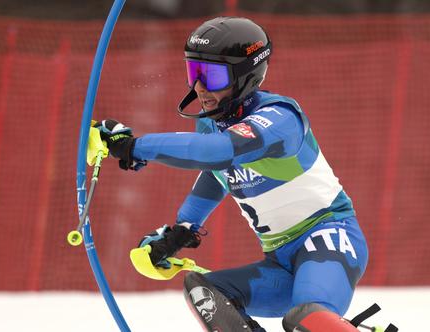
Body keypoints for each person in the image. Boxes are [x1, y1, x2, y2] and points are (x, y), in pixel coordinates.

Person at [95, 16, 368, 332]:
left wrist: (134, 146)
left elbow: (219, 151)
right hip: (280, 262)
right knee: (204, 291)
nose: (199, 87)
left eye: (210, 75)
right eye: (193, 72)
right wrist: (182, 229)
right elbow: (216, 173)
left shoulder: (280, 118)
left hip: (329, 239)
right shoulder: (212, 123)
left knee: (305, 319)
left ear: (245, 76)